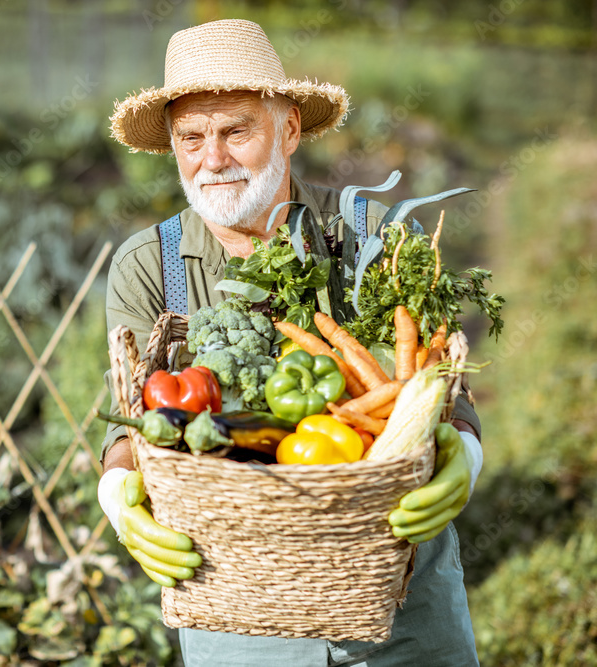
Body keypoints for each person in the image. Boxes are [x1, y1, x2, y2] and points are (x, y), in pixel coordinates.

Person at [96, 19, 484, 666]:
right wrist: (120, 501)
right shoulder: (147, 264)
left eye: (235, 131)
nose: (211, 158)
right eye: (191, 138)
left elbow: (444, 384)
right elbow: (125, 422)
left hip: (401, 607)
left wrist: (462, 458)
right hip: (238, 620)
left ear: (291, 130)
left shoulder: (372, 233)